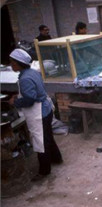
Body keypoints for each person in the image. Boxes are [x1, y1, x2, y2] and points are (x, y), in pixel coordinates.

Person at [8, 49, 63, 182]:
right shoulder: (32, 72)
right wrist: (19, 96)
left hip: (39, 113)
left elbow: (30, 99)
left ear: (19, 63)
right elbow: (33, 92)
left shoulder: (25, 78)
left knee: (40, 142)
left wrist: (16, 101)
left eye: (12, 63)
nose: (11, 65)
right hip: (46, 108)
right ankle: (57, 158)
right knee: (48, 136)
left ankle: (44, 171)